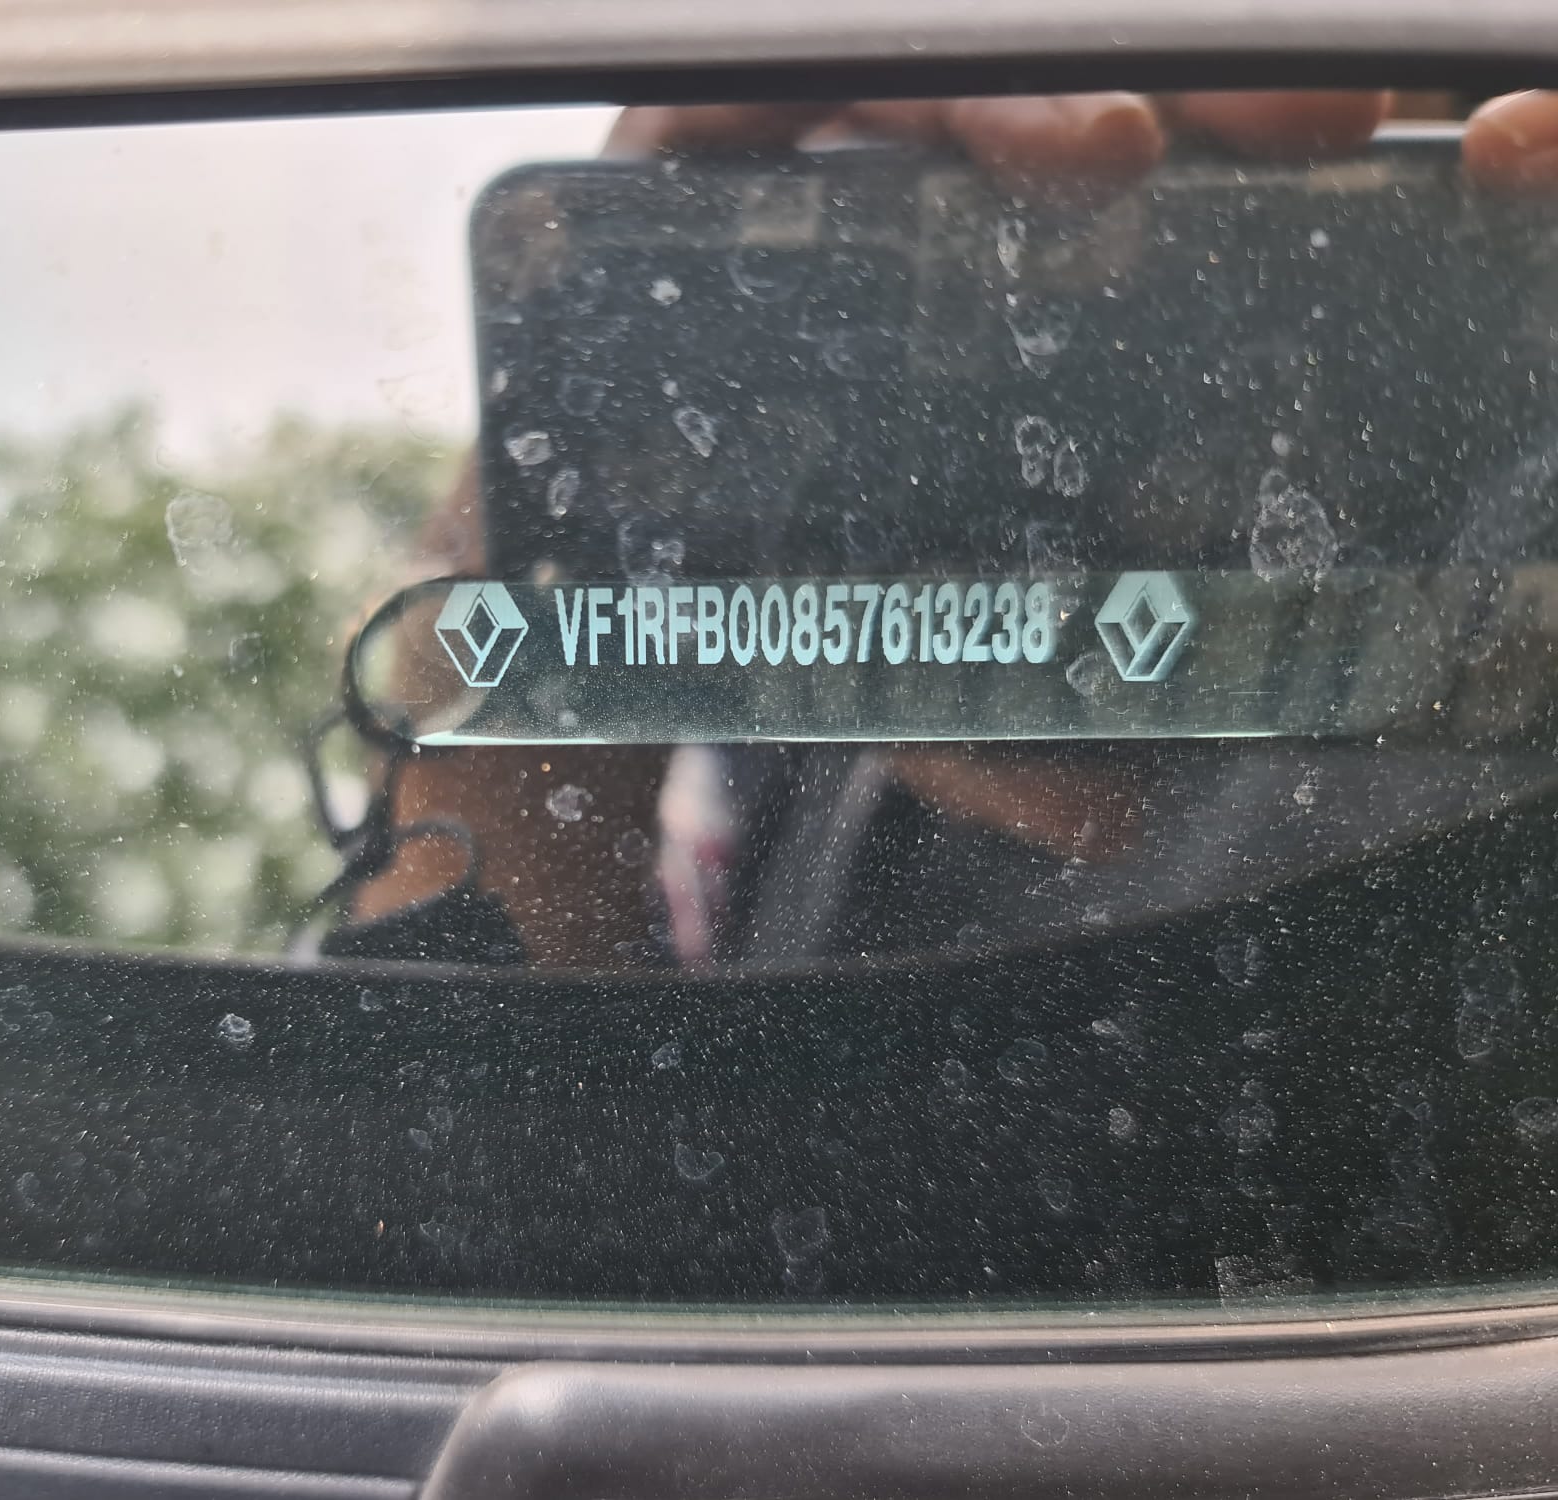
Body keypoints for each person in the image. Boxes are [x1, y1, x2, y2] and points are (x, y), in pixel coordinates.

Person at [338, 90, 1558, 969]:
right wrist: (542, 580)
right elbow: (430, 1157)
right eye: (884, 311)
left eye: (1227, 307)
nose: (1075, 361)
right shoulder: (763, 731)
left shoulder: (1495, 597)